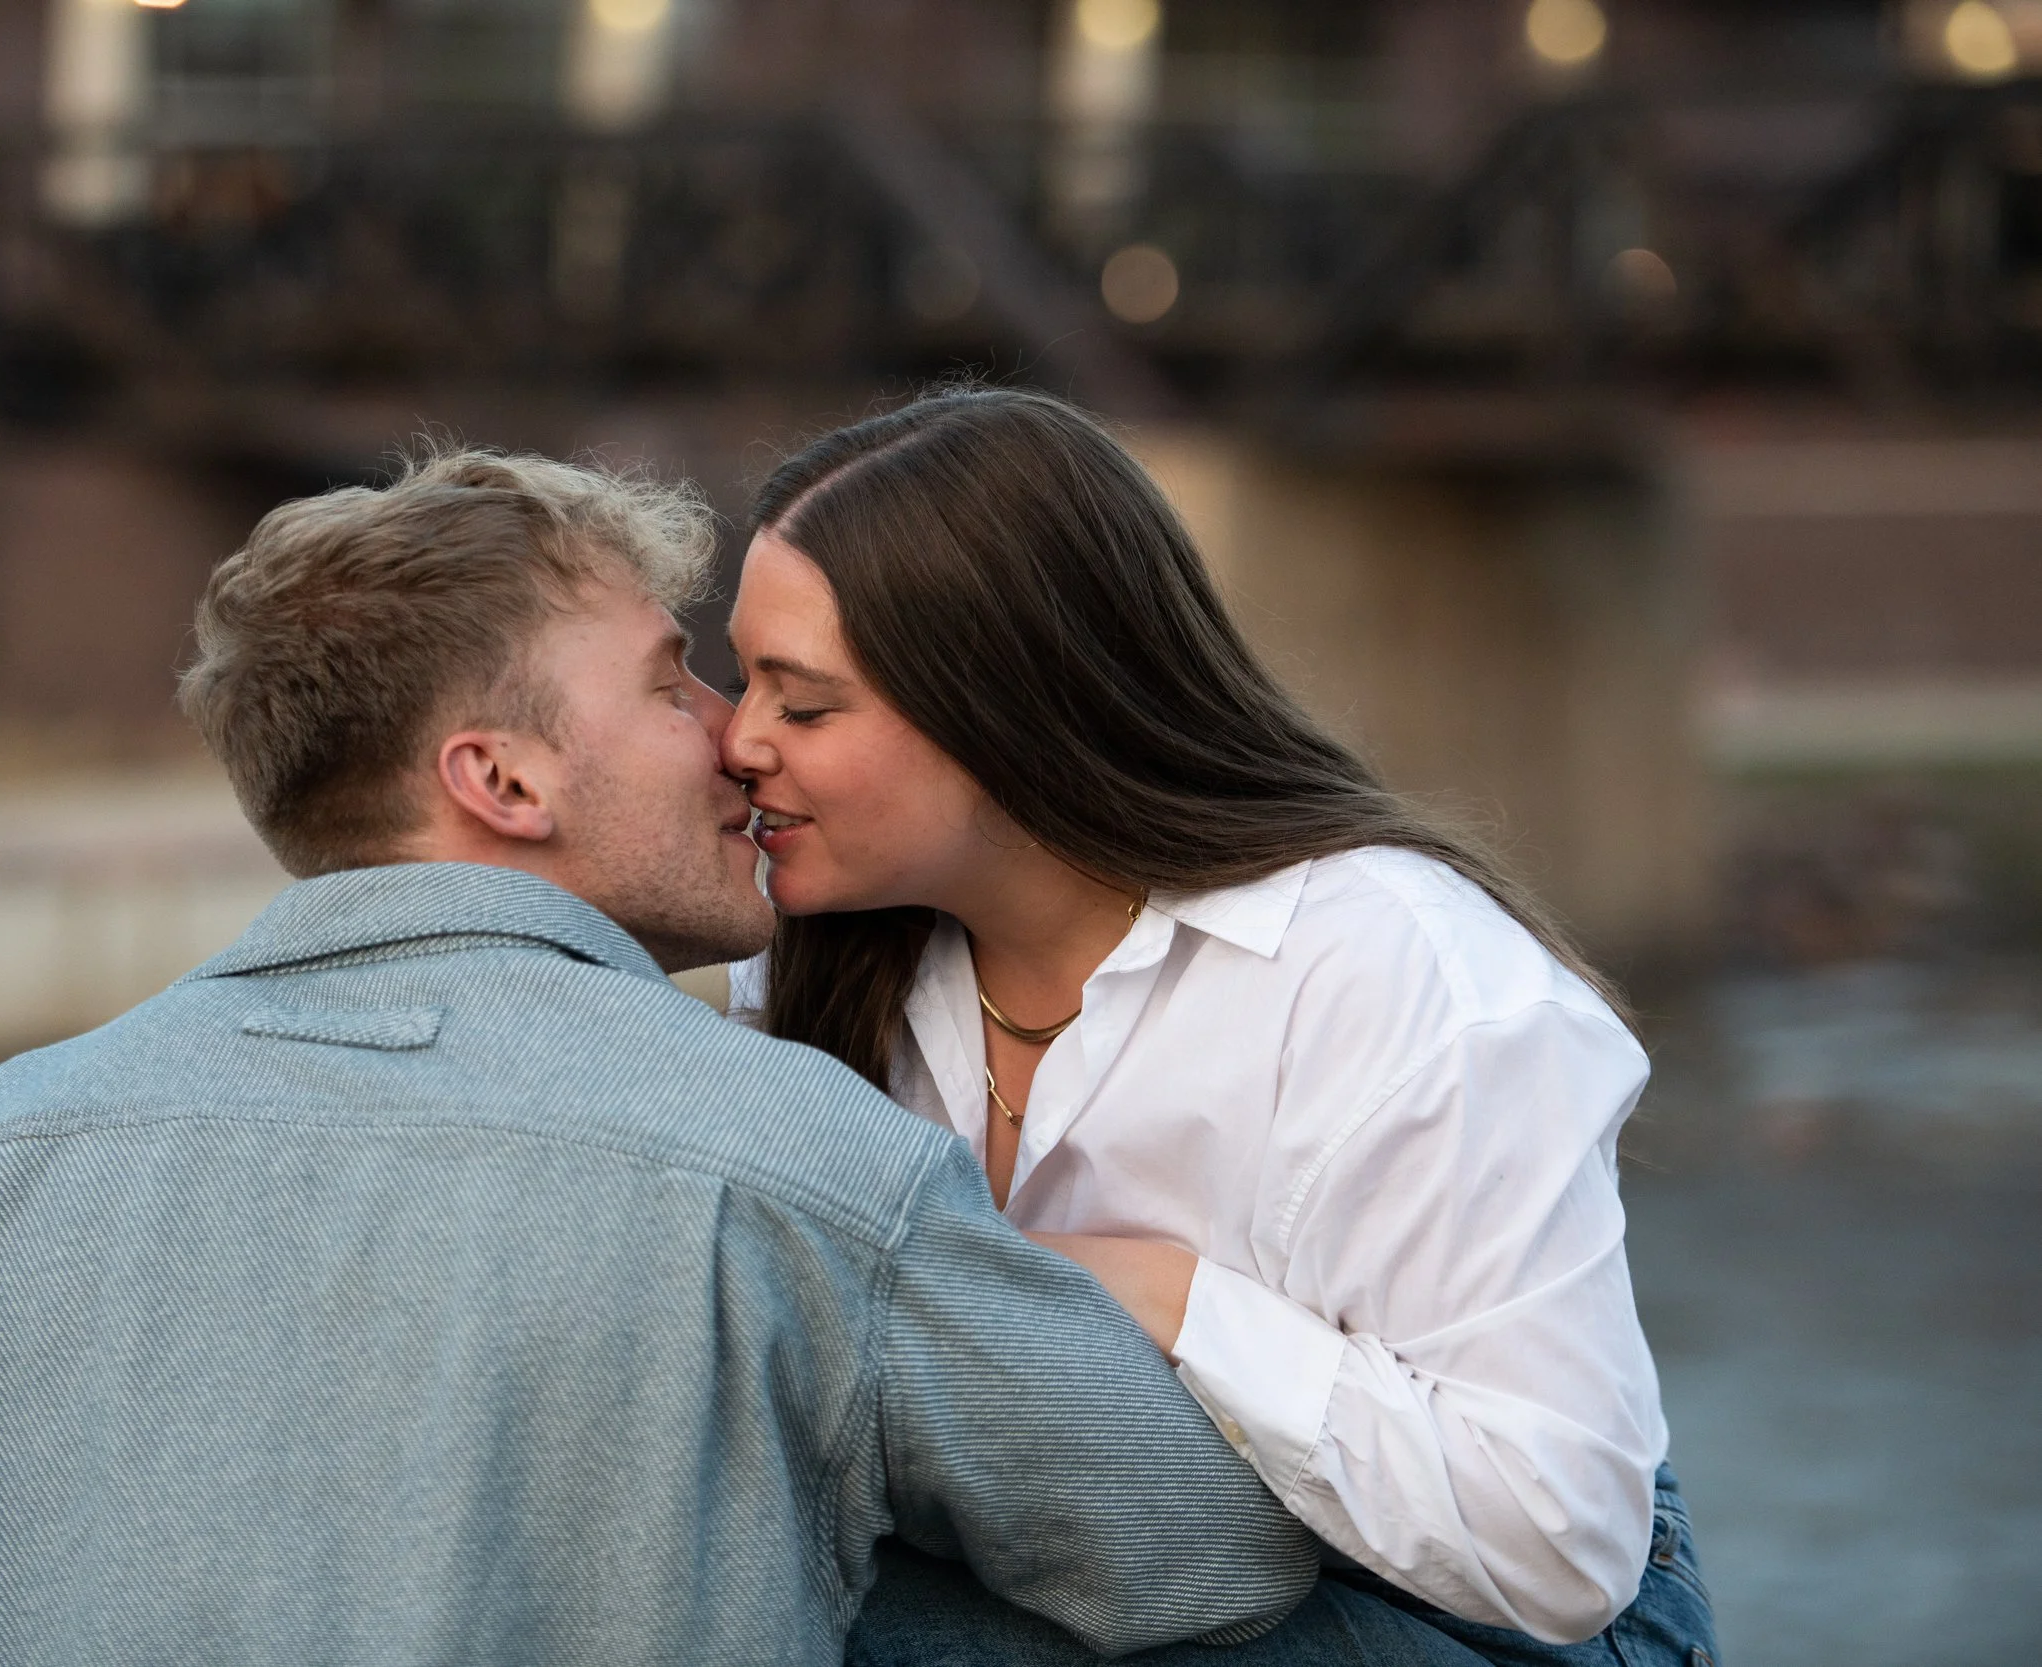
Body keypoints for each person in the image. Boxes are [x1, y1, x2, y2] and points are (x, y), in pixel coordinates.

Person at [0, 448, 1321, 1667]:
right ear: (504, 782)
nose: (737, 736)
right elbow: (1203, 1557)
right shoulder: (801, 1172)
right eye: (668, 678)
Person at [720, 388, 1719, 1667]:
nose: (738, 740)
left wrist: (1157, 1292)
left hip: (1496, 1622)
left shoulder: (1394, 976)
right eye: (735, 676)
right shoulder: (828, 958)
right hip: (1101, 1560)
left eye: (801, 704)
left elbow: (1558, 1540)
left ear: (1008, 704)